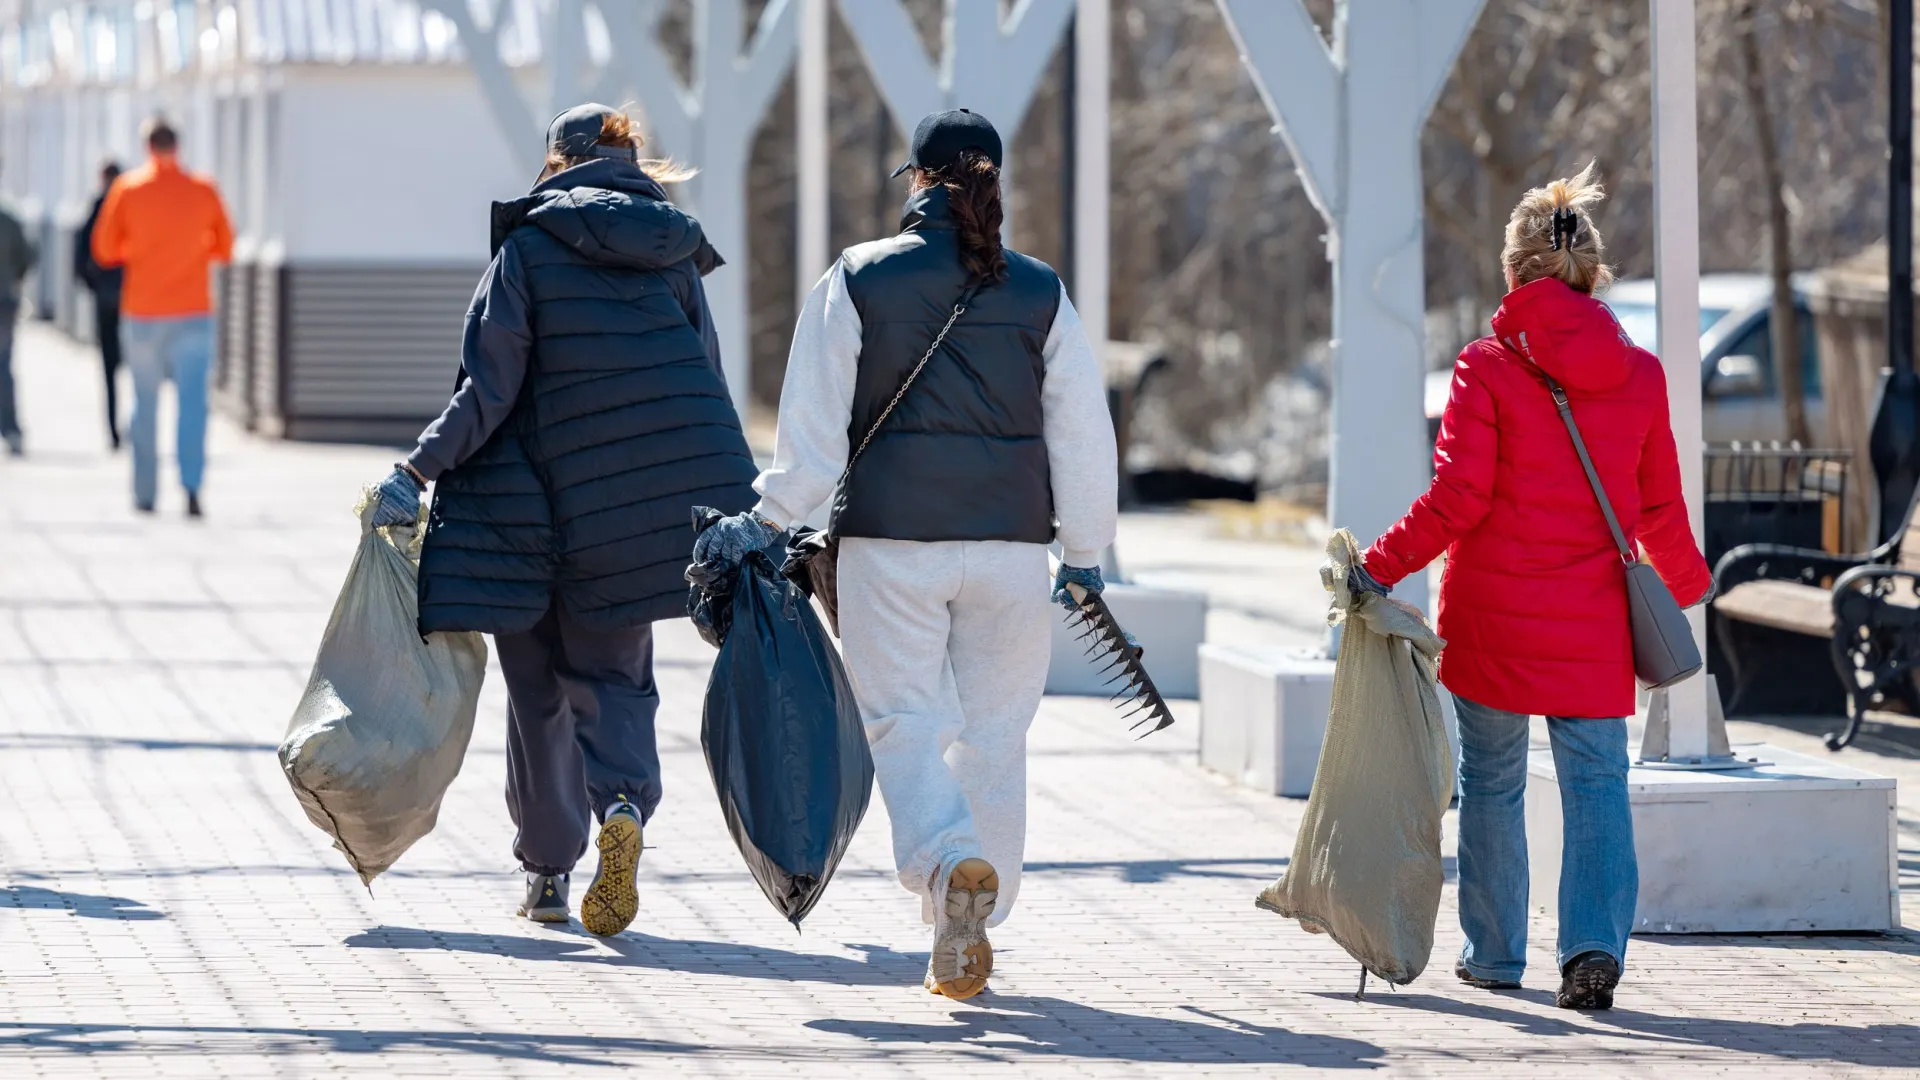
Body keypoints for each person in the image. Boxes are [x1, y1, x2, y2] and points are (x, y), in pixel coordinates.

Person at [696, 109, 1118, 1000]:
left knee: (905, 724)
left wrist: (767, 522)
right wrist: (1084, 550)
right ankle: (973, 917)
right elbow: (1082, 431)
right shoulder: (1041, 291)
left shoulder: (858, 277)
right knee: (997, 736)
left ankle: (950, 865)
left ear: (917, 182)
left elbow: (809, 442)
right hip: (1010, 552)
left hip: (890, 546)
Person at [367, 103, 757, 937]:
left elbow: (489, 390)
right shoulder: (674, 252)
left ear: (556, 161)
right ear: (633, 161)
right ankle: (623, 807)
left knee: (538, 696)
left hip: (523, 518)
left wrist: (416, 469)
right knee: (617, 683)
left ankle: (548, 871)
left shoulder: (530, 249)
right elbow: (706, 388)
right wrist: (730, 506)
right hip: (630, 520)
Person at [1352, 164, 1711, 1011]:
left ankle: (1497, 954)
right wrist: (1691, 588)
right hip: (1594, 622)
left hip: (1493, 618)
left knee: (1494, 782)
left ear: (1512, 272)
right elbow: (1657, 503)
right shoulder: (1642, 374)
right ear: (1591, 272)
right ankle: (1591, 950)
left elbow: (1458, 499)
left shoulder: (1484, 367)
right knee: (1596, 783)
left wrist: (1379, 564)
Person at [91, 117, 233, 516]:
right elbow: (225, 246)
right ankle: (191, 488)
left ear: (146, 147)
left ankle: (145, 492)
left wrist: (138, 251)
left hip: (143, 312)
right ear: (178, 146)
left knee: (144, 402)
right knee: (192, 404)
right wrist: (194, 250)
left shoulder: (128, 189)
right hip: (193, 311)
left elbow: (104, 249)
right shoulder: (203, 190)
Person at [75, 160, 126, 450]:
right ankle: (123, 426)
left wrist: (93, 285)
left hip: (109, 297)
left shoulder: (99, 207)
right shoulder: (126, 206)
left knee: (109, 367)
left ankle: (114, 429)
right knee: (127, 366)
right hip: (129, 298)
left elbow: (80, 255)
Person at [0, 161, 36, 457]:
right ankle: (10, 429)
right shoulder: (9, 219)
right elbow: (26, 259)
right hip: (3, 301)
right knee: (3, 367)